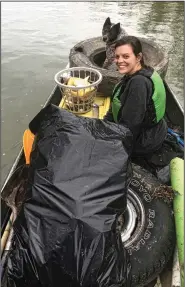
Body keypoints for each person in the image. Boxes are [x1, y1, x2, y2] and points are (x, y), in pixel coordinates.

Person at [104, 35, 183, 182]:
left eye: (126, 56)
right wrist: (103, 124)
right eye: (117, 57)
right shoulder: (145, 71)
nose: (119, 61)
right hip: (157, 130)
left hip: (144, 141)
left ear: (138, 57)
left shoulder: (138, 84)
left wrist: (109, 145)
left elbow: (129, 127)